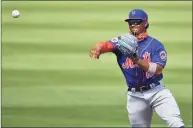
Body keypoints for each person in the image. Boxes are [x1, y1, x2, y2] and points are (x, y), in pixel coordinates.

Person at [89, 9, 185, 128]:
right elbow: (106, 44)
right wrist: (98, 47)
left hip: (157, 92)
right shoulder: (122, 42)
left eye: (137, 21)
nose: (133, 24)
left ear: (145, 23)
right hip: (135, 96)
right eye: (130, 22)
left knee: (175, 123)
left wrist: (136, 60)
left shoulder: (155, 45)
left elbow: (157, 70)